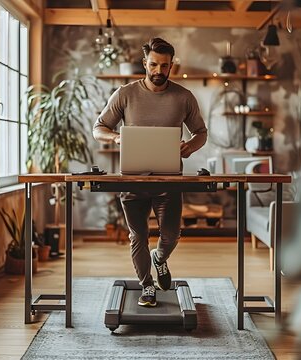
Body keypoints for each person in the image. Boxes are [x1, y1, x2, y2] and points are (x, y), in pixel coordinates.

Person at [93, 38, 208, 307]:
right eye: (153, 64)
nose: (158, 70)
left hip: (170, 181)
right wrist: (116, 138)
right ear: (145, 63)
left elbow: (201, 133)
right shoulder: (124, 94)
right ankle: (147, 286)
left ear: (171, 66)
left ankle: (160, 258)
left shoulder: (183, 97)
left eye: (164, 66)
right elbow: (99, 128)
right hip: (133, 180)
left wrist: (190, 146)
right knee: (138, 236)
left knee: (171, 235)